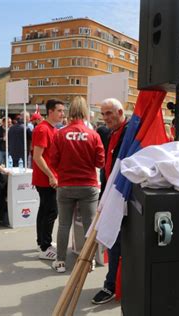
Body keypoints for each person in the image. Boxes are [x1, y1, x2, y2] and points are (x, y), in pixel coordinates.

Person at [50, 96, 104, 273]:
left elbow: (53, 160)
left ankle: (60, 261)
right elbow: (100, 162)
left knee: (64, 224)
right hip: (88, 186)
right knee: (90, 225)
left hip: (65, 185)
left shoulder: (60, 134)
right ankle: (90, 261)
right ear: (86, 112)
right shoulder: (93, 135)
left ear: (70, 111)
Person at [92, 98, 128, 305]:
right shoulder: (111, 132)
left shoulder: (129, 131)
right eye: (103, 114)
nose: (105, 118)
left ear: (120, 111)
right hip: (110, 194)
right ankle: (113, 283)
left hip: (123, 197)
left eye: (109, 113)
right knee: (113, 242)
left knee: (116, 242)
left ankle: (111, 285)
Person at [32, 99, 65, 260]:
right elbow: (37, 156)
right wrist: (51, 175)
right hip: (46, 179)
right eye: (59, 111)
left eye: (63, 111)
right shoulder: (43, 129)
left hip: (48, 178)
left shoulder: (51, 129)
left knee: (45, 210)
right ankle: (45, 246)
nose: (62, 114)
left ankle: (43, 242)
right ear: (50, 111)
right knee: (51, 211)